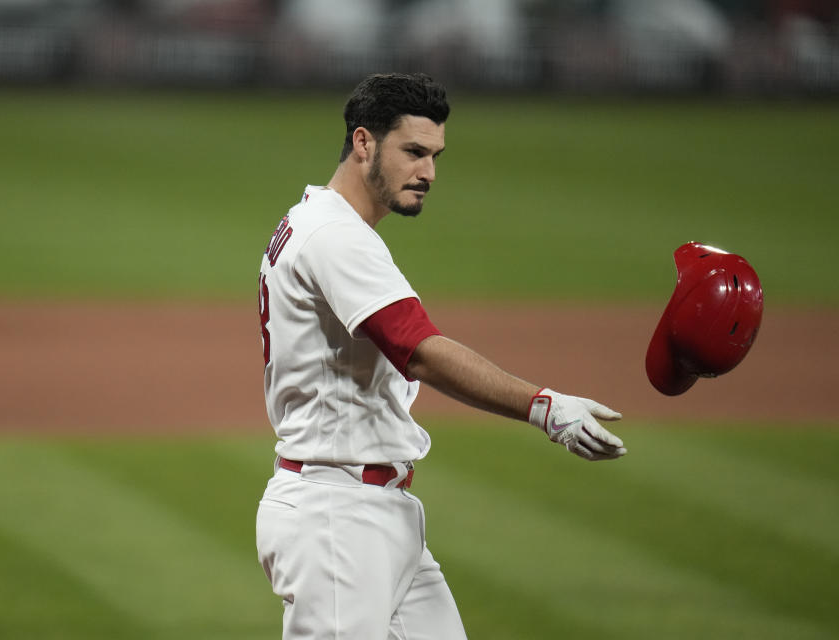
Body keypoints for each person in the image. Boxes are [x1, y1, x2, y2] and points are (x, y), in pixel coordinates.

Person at [255, 72, 627, 639]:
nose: (428, 172)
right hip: (336, 519)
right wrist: (544, 407)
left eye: (435, 155)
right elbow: (419, 350)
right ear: (363, 143)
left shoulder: (314, 220)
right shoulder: (335, 235)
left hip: (375, 514)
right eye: (412, 152)